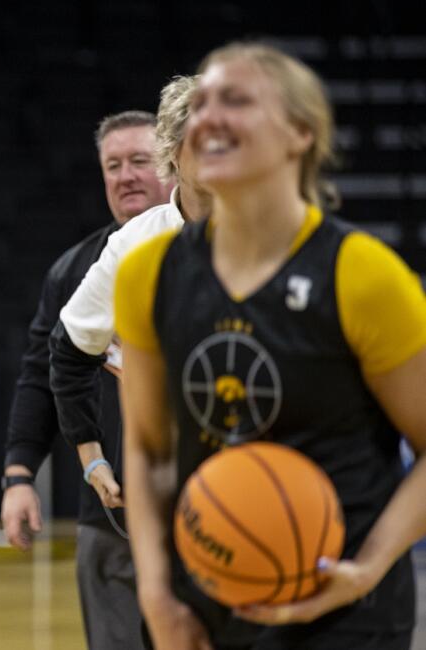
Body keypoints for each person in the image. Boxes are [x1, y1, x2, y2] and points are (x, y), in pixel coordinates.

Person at [116, 42, 426, 649]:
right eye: (202, 104)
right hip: (203, 596)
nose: (209, 117)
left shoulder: (364, 275)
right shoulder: (146, 274)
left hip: (345, 605)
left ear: (300, 134)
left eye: (237, 100)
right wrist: (156, 595)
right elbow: (150, 452)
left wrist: (367, 567)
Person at [0, 110, 172, 646]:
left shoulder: (222, 255)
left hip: (205, 502)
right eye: (112, 166)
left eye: (140, 161)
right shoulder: (75, 270)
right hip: (110, 508)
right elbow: (41, 375)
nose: (126, 176)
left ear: (173, 164)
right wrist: (19, 474)